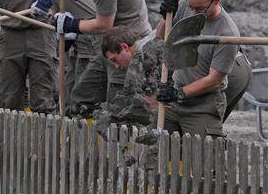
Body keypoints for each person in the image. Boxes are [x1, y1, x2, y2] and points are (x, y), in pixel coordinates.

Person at [53, 0, 151, 116]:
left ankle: (116, 142)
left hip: (125, 47)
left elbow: (103, 24)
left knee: (118, 106)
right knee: (83, 96)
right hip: (112, 43)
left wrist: (72, 25)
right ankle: (90, 140)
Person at [102, 26, 251, 128]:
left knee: (201, 127)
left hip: (226, 70)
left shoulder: (144, 56)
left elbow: (156, 102)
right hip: (240, 67)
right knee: (202, 129)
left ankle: (208, 171)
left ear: (124, 47)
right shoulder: (151, 41)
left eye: (114, 60)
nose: (116, 67)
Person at [156, 0, 248, 138]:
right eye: (191, 6)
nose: (193, 12)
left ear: (216, 0)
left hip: (203, 105)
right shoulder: (186, 4)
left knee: (202, 156)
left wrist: (178, 93)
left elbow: (214, 80)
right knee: (160, 149)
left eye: (199, 9)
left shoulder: (227, 33)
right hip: (176, 99)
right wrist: (166, 17)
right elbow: (161, 37)